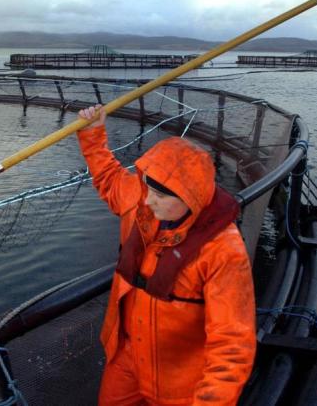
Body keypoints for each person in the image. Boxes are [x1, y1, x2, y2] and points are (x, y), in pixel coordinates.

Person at [77, 104, 256, 406]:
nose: (149, 201)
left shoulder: (224, 251)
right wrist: (92, 134)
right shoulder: (141, 198)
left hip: (182, 382)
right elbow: (109, 178)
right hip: (125, 361)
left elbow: (232, 345)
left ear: (191, 197)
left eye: (161, 196)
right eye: (147, 188)